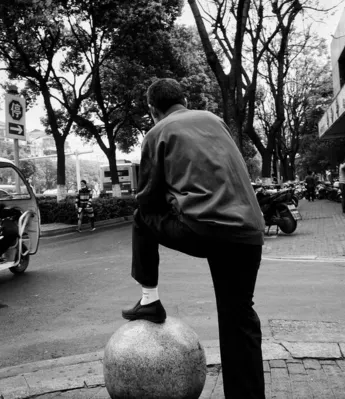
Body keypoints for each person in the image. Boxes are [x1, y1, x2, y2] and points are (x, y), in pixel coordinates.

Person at [121, 78, 266, 399]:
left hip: (206, 228)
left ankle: (149, 300)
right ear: (183, 99)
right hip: (249, 230)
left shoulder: (157, 133)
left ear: (152, 109)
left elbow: (146, 198)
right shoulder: (214, 120)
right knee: (239, 319)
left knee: (140, 217)